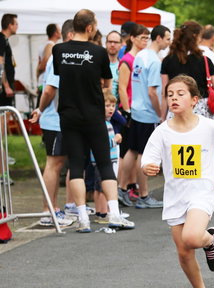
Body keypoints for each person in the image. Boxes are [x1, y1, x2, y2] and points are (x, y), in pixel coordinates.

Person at [141, 75, 214, 288]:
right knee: (183, 251)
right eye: (170, 94)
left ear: (194, 100)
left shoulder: (208, 126)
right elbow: (148, 158)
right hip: (176, 195)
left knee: (192, 238)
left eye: (180, 94)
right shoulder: (162, 132)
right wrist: (148, 167)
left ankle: (210, 240)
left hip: (203, 190)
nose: (174, 98)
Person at [50, 9, 134, 232]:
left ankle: (82, 218)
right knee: (105, 164)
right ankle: (114, 214)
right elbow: (107, 82)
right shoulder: (98, 52)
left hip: (68, 114)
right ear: (89, 28)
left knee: (77, 165)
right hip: (93, 115)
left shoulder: (59, 50)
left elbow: (62, 75)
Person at [118, 25, 170, 209]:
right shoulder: (155, 61)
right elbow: (153, 92)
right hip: (148, 112)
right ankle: (144, 195)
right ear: (158, 38)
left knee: (131, 150)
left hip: (136, 109)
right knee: (144, 154)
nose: (168, 42)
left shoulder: (140, 55)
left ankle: (122, 188)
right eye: (167, 38)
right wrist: (160, 113)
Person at [30, 19, 75, 228]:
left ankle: (54, 208)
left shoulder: (66, 55)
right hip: (54, 119)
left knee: (58, 164)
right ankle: (47, 210)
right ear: (71, 35)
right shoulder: (59, 55)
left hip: (62, 119)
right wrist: (40, 109)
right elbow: (49, 89)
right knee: (54, 164)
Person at [161, 21, 214, 120]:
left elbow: (164, 92)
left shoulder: (167, 60)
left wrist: (162, 117)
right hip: (201, 110)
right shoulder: (205, 60)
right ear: (195, 36)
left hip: (176, 108)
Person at [92, 89, 122, 223]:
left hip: (100, 161)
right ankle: (104, 213)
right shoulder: (102, 124)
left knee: (98, 187)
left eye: (113, 106)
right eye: (107, 106)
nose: (111, 109)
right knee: (104, 187)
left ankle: (100, 211)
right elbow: (103, 143)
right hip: (105, 160)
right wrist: (115, 140)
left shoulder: (105, 122)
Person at [36, 24, 61, 105]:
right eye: (59, 30)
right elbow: (43, 64)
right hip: (46, 82)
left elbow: (39, 65)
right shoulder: (50, 45)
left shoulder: (46, 45)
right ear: (55, 33)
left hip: (42, 81)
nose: (61, 32)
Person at [0, 14, 18, 108]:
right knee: (4, 113)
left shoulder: (4, 40)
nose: (17, 27)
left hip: (7, 83)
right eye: (16, 24)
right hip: (4, 86)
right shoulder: (1, 39)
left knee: (6, 113)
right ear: (10, 25)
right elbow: (0, 62)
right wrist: (6, 86)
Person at [105, 30, 122, 99]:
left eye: (115, 42)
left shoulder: (123, 66)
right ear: (106, 43)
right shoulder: (99, 64)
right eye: (110, 42)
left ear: (121, 45)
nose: (112, 44)